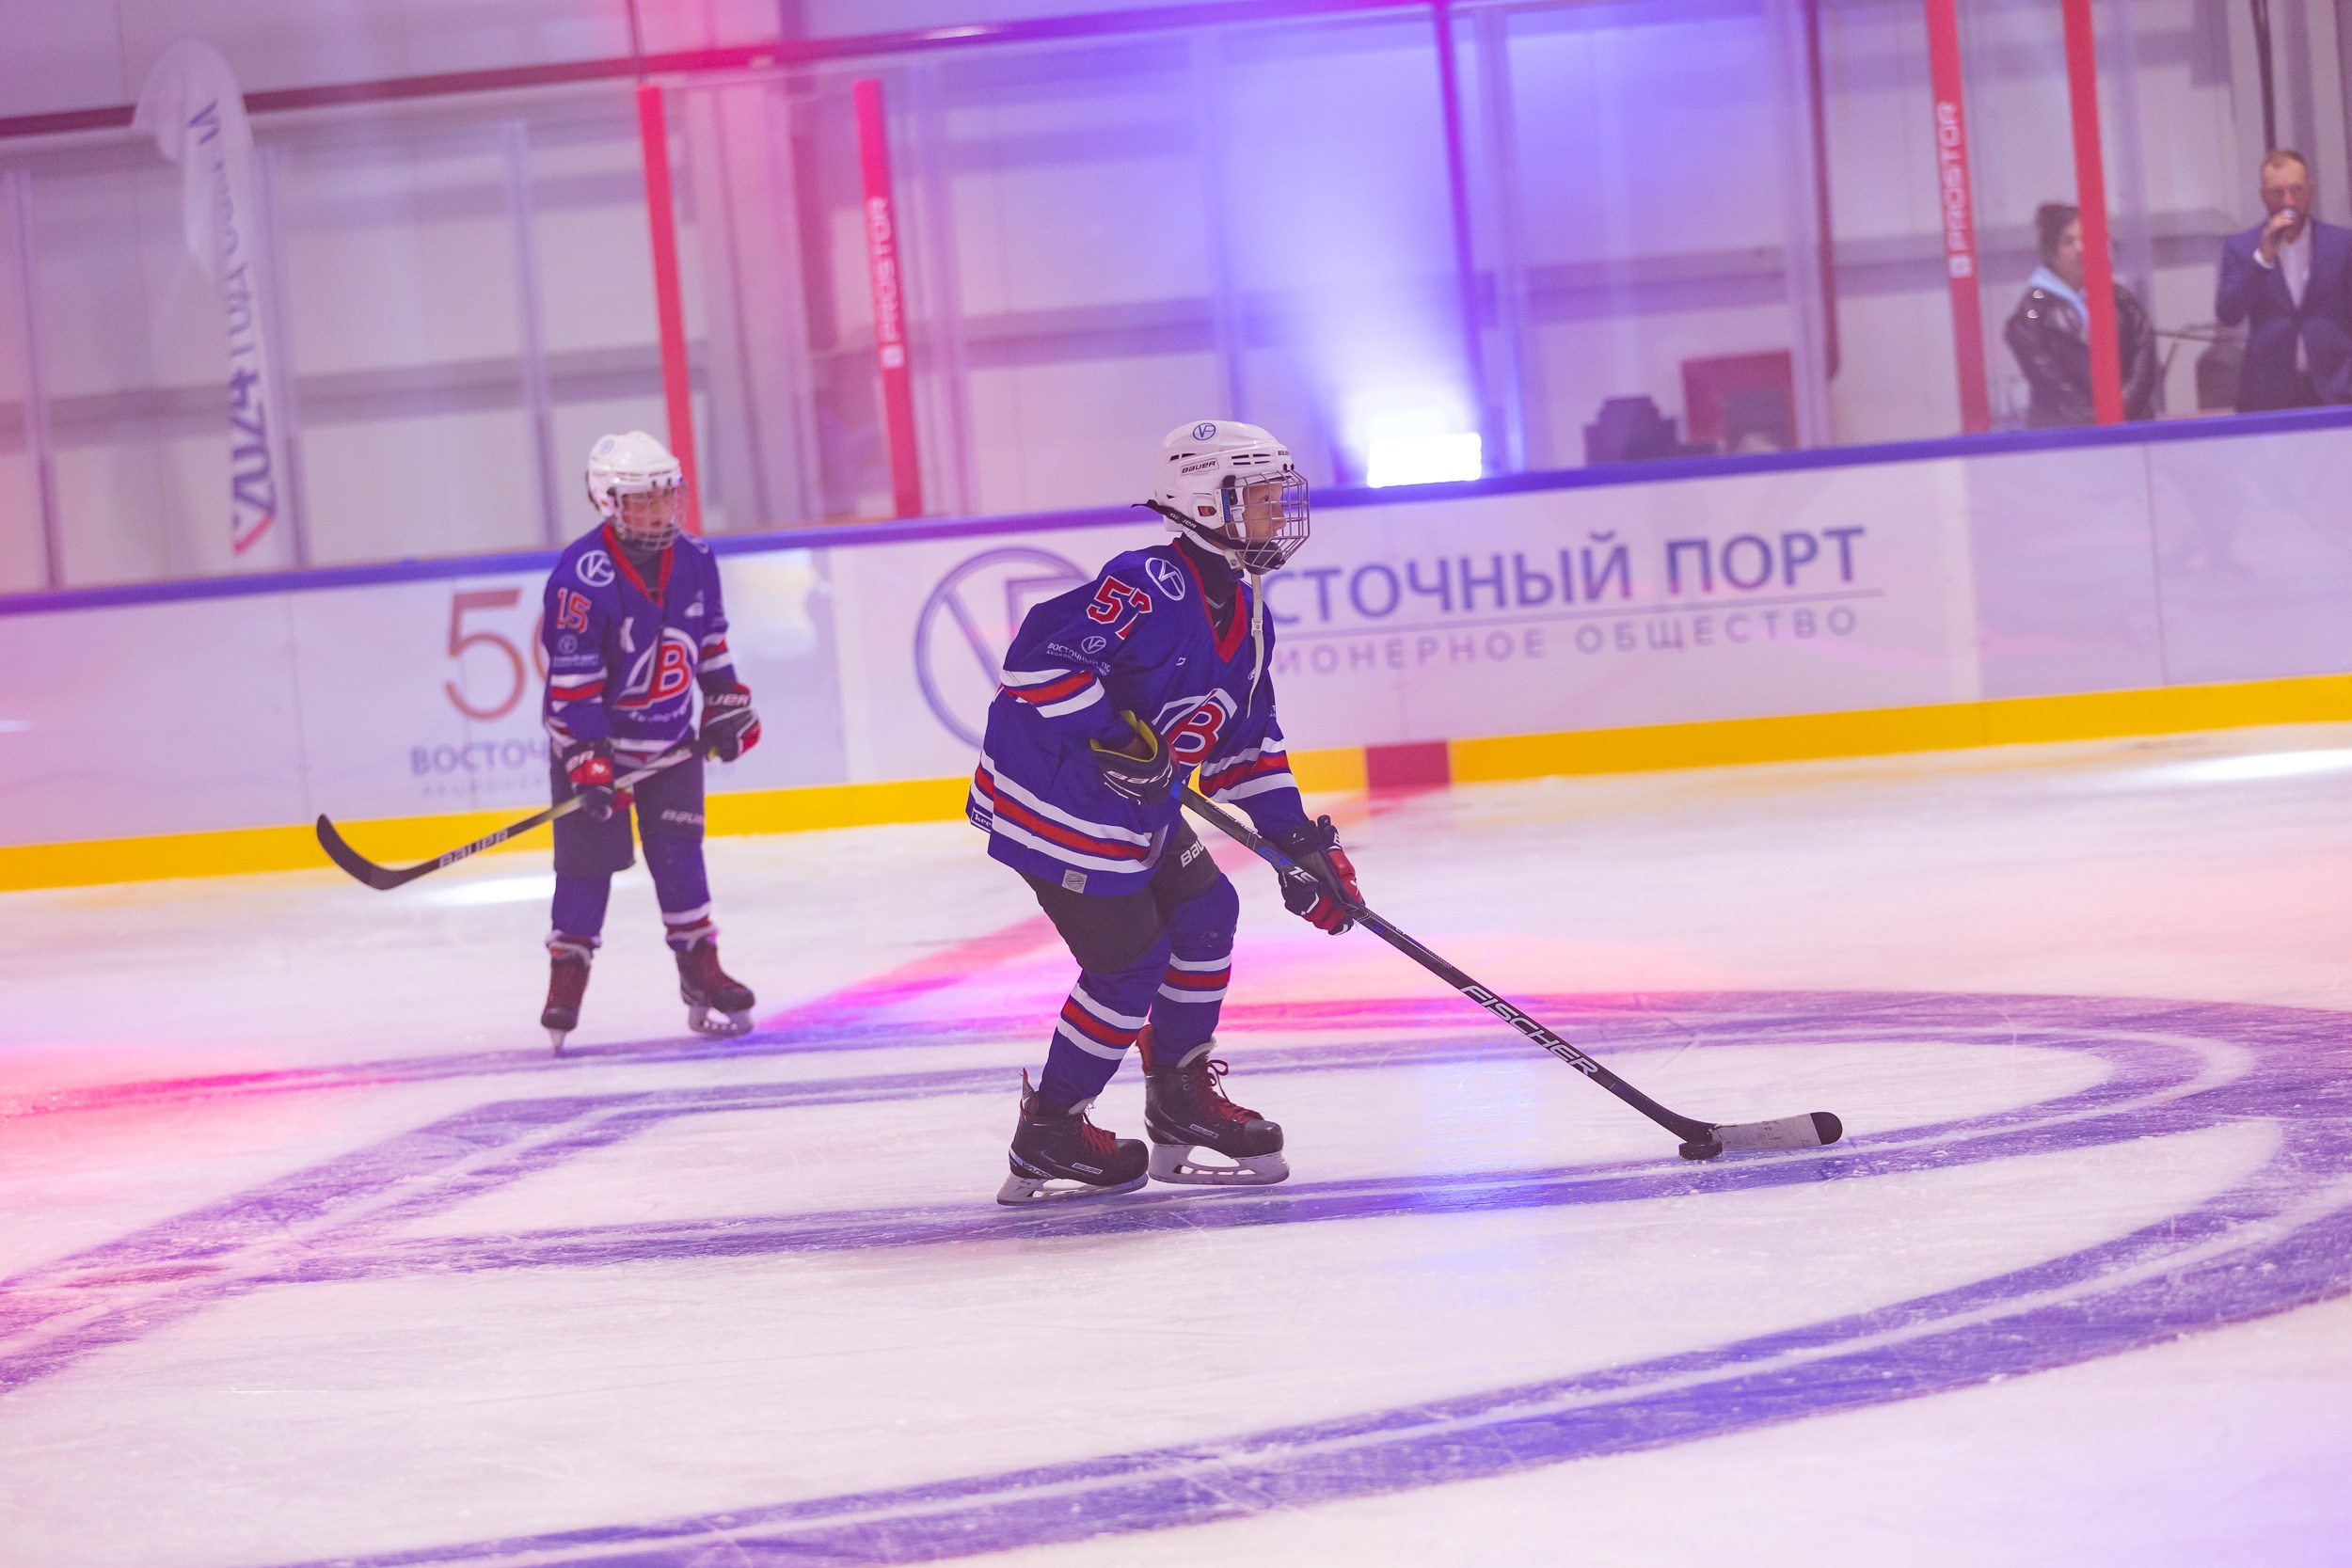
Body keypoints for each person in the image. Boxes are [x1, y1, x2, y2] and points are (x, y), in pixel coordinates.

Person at [968, 420, 1362, 1204]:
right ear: (1204, 504)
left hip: (1134, 805)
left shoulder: (1248, 617)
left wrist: (1295, 844)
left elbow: (1245, 747)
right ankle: (1050, 1128)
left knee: (1208, 910)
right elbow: (1032, 663)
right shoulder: (1149, 582)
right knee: (1128, 965)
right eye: (1256, 498)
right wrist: (1113, 732)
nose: (1274, 514)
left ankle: (1179, 1098)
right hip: (1056, 799)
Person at [536, 432, 762, 1052]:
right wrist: (588, 761)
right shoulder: (580, 577)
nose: (661, 510)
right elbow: (573, 687)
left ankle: (700, 969)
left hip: (668, 747)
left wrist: (727, 703)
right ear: (610, 503)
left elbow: (710, 644)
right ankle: (569, 969)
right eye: (645, 500)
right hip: (596, 750)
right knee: (586, 868)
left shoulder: (695, 559)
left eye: (667, 496)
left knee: (681, 861)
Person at [2215, 149, 2352, 410]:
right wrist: (2262, 259)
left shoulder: (2342, 244)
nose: (2288, 201)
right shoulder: (2242, 247)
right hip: (2268, 395)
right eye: (2278, 192)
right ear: (2263, 196)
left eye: (2297, 190)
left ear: (2310, 190)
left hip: (2338, 390)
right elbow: (2228, 314)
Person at [2005, 202, 2159, 426]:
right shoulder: (2032, 310)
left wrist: (2120, 409)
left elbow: (2143, 364)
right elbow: (2046, 379)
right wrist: (2092, 417)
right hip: (2063, 433)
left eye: (2087, 238)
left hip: (2129, 426)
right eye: (2068, 242)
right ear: (2051, 250)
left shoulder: (2122, 300)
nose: (2081, 248)